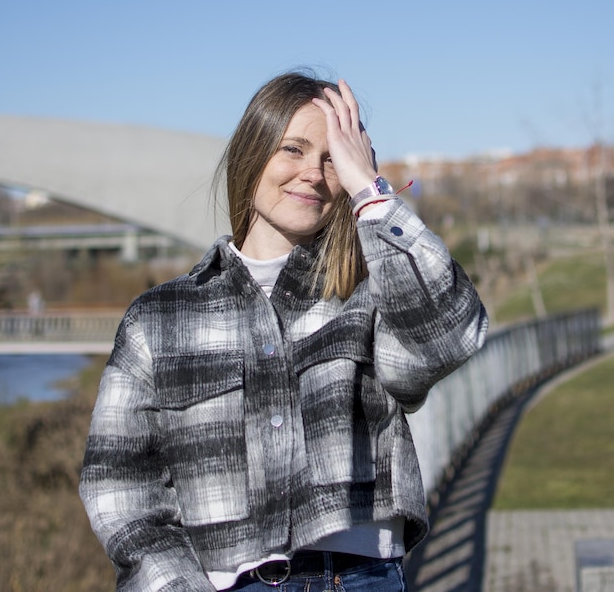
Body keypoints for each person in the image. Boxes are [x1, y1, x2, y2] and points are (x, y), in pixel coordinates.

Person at [79, 71, 488, 591]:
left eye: (331, 157)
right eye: (292, 149)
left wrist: (370, 190)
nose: (313, 174)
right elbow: (120, 488)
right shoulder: (159, 320)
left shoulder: (371, 294)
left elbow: (449, 334)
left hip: (361, 578)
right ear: (252, 154)